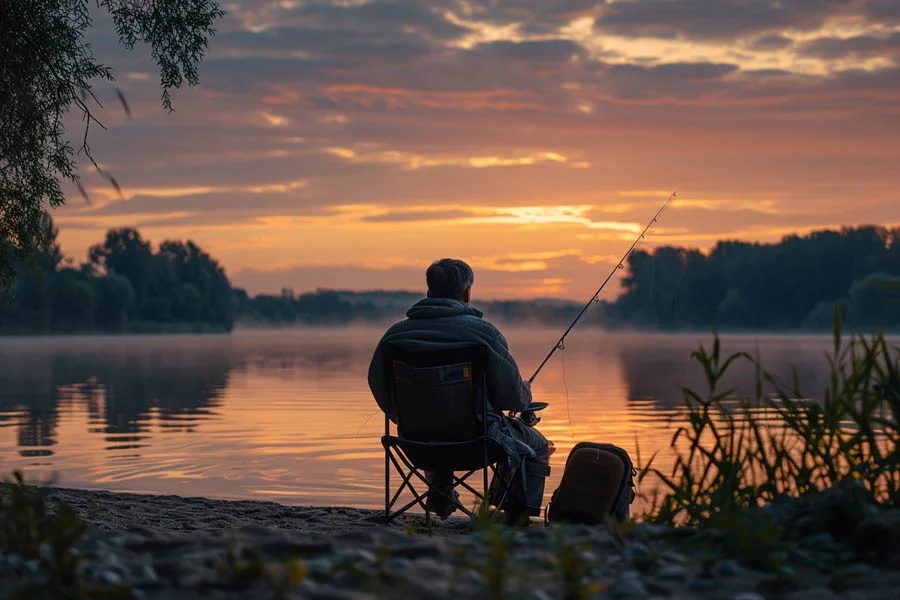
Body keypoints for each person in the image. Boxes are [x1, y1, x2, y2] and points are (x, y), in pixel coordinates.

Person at [368, 258, 551, 521]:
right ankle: (516, 518)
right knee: (537, 445)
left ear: (429, 292)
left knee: (437, 421)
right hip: (477, 444)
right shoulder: (484, 334)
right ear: (466, 294)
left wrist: (407, 418)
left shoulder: (395, 336)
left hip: (416, 442)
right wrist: (526, 392)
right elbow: (513, 398)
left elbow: (378, 386)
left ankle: (440, 497)